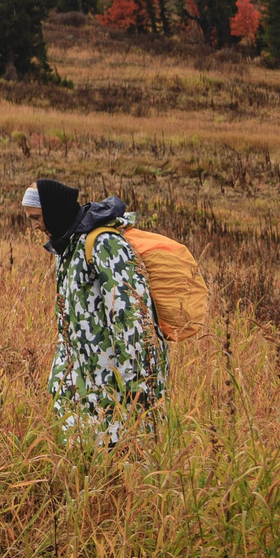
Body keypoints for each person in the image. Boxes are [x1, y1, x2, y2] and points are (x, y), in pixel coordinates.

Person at [27, 179, 168, 442]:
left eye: (36, 217)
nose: (34, 225)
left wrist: (136, 391)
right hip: (85, 388)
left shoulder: (104, 245)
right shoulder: (67, 249)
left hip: (116, 389)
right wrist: (59, 380)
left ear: (53, 209)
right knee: (85, 469)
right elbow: (69, 326)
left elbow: (132, 319)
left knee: (125, 468)